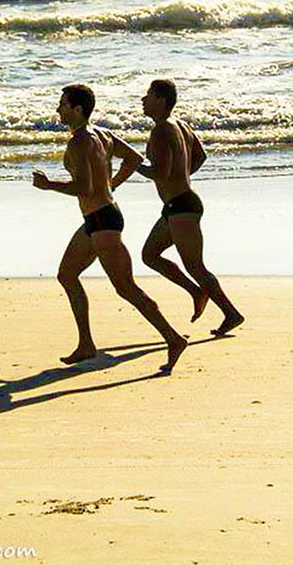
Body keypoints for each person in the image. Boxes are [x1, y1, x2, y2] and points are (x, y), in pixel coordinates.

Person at [32, 84, 188, 374]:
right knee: (66, 275)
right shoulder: (102, 133)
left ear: (77, 110)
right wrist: (112, 185)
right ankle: (86, 344)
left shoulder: (79, 142)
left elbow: (84, 187)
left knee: (126, 288)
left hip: (103, 222)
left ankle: (173, 338)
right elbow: (134, 159)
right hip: (99, 219)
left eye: (62, 104)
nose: (58, 109)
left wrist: (48, 185)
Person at [137, 79, 244, 337]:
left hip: (182, 207)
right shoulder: (181, 125)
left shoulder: (162, 130)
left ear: (162, 100)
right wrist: (182, 176)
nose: (143, 99)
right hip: (177, 205)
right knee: (150, 255)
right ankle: (196, 292)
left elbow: (159, 172)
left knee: (196, 267)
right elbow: (200, 156)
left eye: (148, 95)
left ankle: (231, 313)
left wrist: (131, 165)